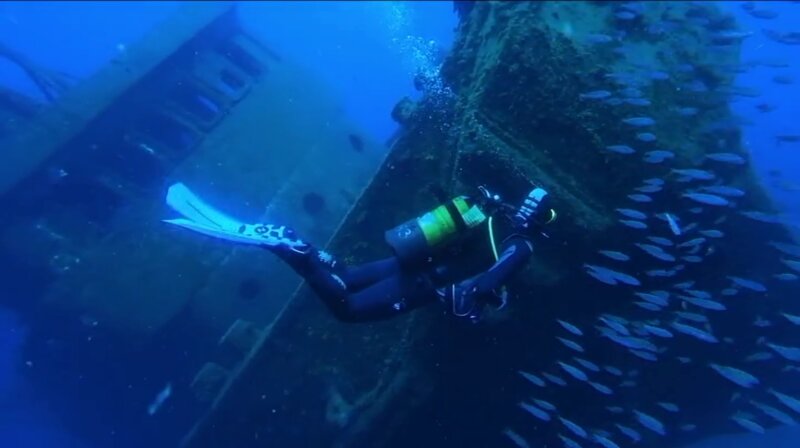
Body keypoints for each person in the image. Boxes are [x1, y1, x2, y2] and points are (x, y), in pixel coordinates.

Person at [163, 182, 557, 323]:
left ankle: (292, 244)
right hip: (424, 284)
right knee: (347, 310)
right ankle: (286, 246)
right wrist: (478, 303)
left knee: (347, 276)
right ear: (541, 223)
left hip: (417, 261)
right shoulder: (521, 247)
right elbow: (487, 282)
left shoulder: (497, 216)